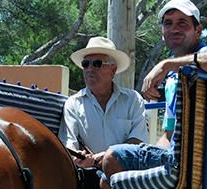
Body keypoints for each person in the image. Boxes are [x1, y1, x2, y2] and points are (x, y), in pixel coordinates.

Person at [100, 0, 207, 179]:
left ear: (198, 30)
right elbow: (168, 135)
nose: (174, 29)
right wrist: (148, 152)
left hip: (201, 159)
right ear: (163, 32)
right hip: (176, 158)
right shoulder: (174, 78)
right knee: (105, 178)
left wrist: (166, 64)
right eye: (168, 23)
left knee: (113, 158)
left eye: (182, 23)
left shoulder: (204, 55)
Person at [59, 36, 148, 169]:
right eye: (85, 64)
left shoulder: (133, 100)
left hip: (126, 176)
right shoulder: (73, 104)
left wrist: (108, 156)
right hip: (88, 177)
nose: (90, 69)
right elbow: (68, 143)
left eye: (97, 63)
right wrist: (76, 157)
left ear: (113, 70)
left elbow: (137, 141)